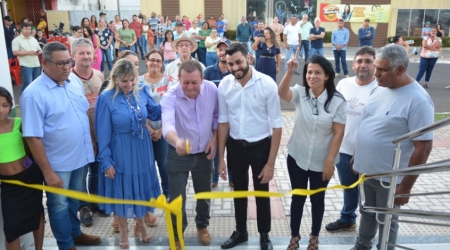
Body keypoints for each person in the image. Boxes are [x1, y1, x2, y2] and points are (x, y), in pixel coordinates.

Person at [351, 43, 434, 250]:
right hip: (366, 173)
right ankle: (362, 246)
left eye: (382, 69)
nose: (375, 73)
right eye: (376, 67)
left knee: (387, 219)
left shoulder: (418, 100)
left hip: (389, 178)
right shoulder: (381, 88)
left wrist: (406, 186)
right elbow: (369, 123)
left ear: (400, 70)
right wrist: (358, 156)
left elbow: (423, 148)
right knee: (367, 213)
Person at [20, 41, 101, 250]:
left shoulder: (72, 81)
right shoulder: (33, 94)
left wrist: (90, 143)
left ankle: (75, 234)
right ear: (44, 63)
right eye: (60, 64)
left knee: (73, 201)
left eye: (68, 62)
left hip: (79, 157)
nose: (66, 67)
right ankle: (65, 245)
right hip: (57, 164)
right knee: (58, 206)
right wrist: (48, 172)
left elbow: (83, 113)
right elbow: (32, 136)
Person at [217, 43, 282, 250]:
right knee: (239, 192)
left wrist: (270, 164)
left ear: (248, 58)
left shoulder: (267, 84)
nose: (235, 67)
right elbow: (223, 123)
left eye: (238, 62)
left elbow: (277, 127)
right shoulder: (225, 85)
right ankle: (241, 231)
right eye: (230, 64)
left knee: (262, 192)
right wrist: (220, 158)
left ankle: (264, 234)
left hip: (260, 147)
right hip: (235, 147)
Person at [279, 53, 345, 250]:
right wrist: (290, 72)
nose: (312, 76)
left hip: (322, 160)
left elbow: (338, 133)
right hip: (297, 156)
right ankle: (294, 237)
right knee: (297, 198)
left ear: (327, 76)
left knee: (318, 199)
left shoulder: (338, 101)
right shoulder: (301, 93)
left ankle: (314, 237)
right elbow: (282, 93)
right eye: (309, 72)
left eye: (318, 72)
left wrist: (329, 162)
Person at [95, 58, 162, 249]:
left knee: (139, 189)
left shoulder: (141, 90)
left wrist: (173, 98)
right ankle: (124, 230)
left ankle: (141, 225)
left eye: (132, 80)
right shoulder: (106, 98)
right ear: (115, 78)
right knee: (123, 190)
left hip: (142, 148)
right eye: (124, 81)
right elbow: (102, 132)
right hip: (120, 149)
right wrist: (106, 161)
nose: (129, 84)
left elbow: (156, 114)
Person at [161, 59, 218, 249]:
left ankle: (202, 226)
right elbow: (167, 125)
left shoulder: (211, 90)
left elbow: (218, 116)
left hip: (204, 154)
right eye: (185, 82)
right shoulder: (170, 96)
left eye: (195, 82)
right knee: (177, 197)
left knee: (204, 193)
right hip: (178, 154)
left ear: (202, 79)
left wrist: (214, 138)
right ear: (179, 78)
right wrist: (177, 141)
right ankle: (177, 233)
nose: (190, 87)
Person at [325, 46, 378, 233]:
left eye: (368, 61)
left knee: (370, 192)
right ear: (353, 65)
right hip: (343, 149)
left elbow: (377, 126)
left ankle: (370, 224)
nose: (363, 65)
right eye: (360, 61)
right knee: (348, 187)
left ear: (375, 65)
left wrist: (360, 152)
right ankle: (348, 218)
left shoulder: (380, 89)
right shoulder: (343, 85)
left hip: (368, 154)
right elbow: (332, 113)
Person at [0, 87, 44, 250]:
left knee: (36, 215)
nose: (1, 110)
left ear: (11, 105)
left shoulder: (20, 124)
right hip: (9, 184)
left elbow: (33, 148)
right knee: (11, 229)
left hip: (30, 178)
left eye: (5, 105)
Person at [70, 38, 106, 227]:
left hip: (99, 132)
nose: (85, 56)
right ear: (73, 55)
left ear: (94, 55)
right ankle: (83, 207)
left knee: (97, 170)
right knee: (81, 173)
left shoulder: (99, 75)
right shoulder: (69, 78)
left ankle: (96, 201)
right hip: (80, 136)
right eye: (81, 53)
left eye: (88, 53)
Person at [139, 49, 171, 205]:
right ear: (146, 61)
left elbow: (173, 108)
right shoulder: (138, 82)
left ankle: (167, 193)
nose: (155, 63)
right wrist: (148, 128)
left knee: (164, 164)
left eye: (158, 61)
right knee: (147, 164)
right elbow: (135, 106)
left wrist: (160, 130)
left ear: (162, 63)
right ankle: (150, 194)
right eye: (152, 60)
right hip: (142, 131)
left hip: (163, 130)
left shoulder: (168, 81)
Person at [203, 39, 234, 187]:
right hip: (215, 120)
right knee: (215, 149)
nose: (223, 52)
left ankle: (233, 178)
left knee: (233, 149)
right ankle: (214, 177)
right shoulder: (209, 71)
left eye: (225, 49)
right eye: (220, 50)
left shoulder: (235, 71)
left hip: (232, 120)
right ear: (216, 52)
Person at [12, 22, 41, 92]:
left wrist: (37, 52)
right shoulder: (16, 40)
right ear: (21, 29)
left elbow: (40, 50)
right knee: (28, 83)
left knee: (36, 83)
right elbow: (15, 52)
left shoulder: (33, 39)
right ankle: (24, 98)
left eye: (29, 29)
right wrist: (28, 52)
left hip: (36, 64)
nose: (28, 30)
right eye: (26, 29)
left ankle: (33, 98)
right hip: (26, 65)